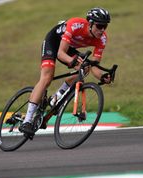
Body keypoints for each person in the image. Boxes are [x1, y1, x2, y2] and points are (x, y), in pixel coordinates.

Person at [19, 7, 112, 136]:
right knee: (47, 77)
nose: (102, 30)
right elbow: (61, 53)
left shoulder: (102, 39)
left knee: (85, 68)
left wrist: (103, 76)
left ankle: (56, 97)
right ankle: (27, 121)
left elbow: (94, 65)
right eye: (99, 26)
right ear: (90, 23)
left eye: (105, 27)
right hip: (54, 43)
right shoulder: (75, 25)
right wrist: (73, 62)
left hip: (69, 48)